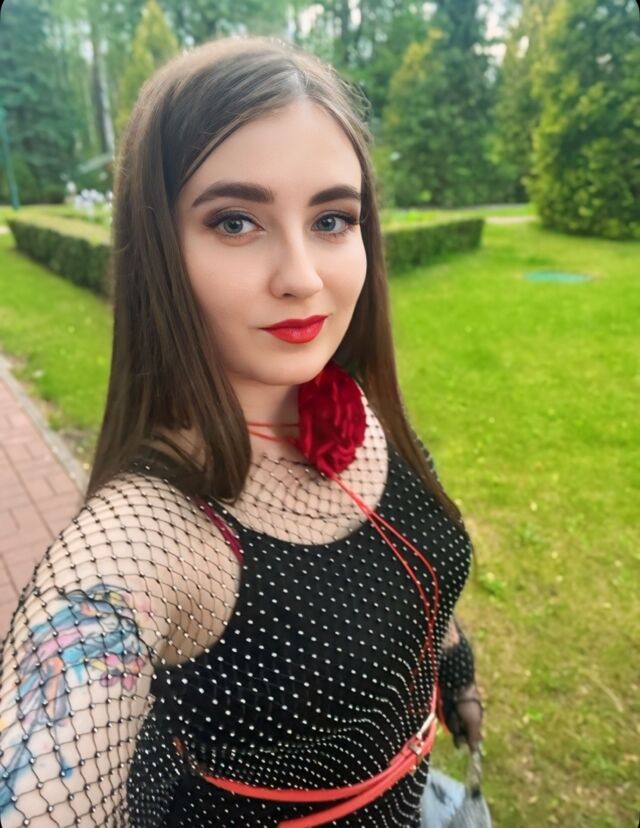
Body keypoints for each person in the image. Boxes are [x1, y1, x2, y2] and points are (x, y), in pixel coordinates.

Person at [0, 34, 483, 827]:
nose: (302, 276)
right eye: (234, 221)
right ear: (160, 248)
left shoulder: (355, 410)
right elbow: (47, 773)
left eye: (332, 218)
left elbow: (416, 573)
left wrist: (455, 673)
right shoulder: (147, 537)